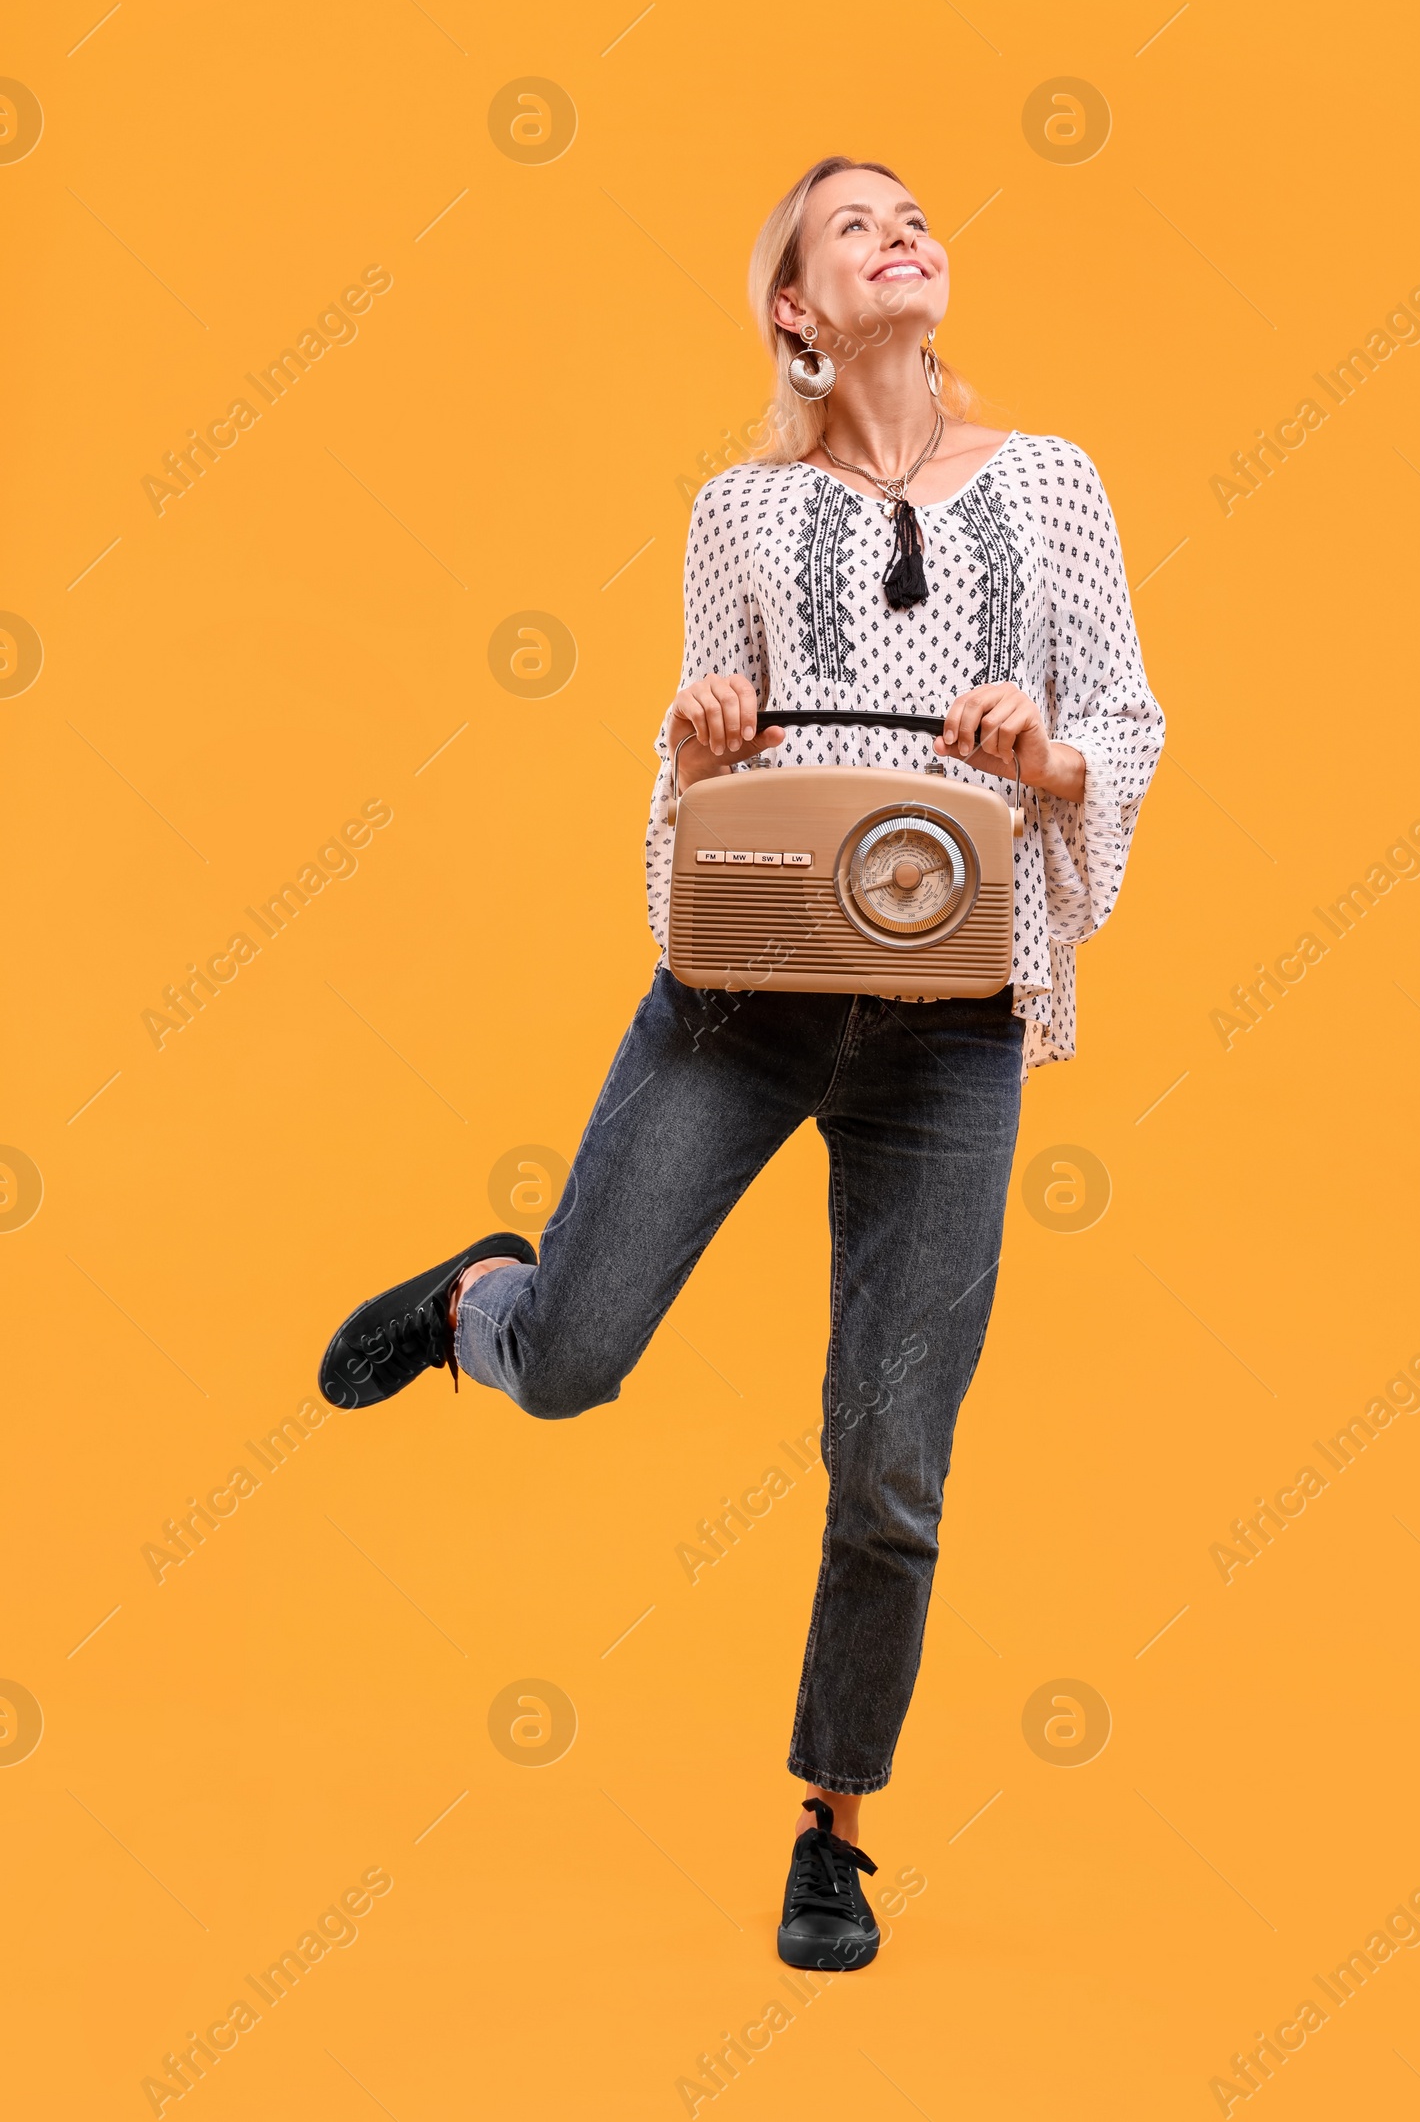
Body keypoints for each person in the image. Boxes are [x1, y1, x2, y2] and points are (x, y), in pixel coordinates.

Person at [316, 154, 1165, 1970]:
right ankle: (492, 1299)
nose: (901, 233)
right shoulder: (740, 517)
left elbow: (1126, 723)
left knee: (894, 1462)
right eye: (853, 224)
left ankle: (831, 1832)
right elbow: (693, 793)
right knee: (573, 1369)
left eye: (915, 213)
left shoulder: (1059, 489)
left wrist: (1055, 756)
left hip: (952, 1034)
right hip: (754, 994)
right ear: (794, 306)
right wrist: (701, 746)